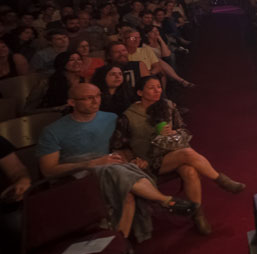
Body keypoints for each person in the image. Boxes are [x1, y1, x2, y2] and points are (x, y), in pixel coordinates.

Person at [37, 83, 196, 242]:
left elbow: (122, 147)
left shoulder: (111, 118)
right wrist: (92, 163)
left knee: (127, 193)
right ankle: (164, 201)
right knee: (114, 172)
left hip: (113, 166)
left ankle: (120, 245)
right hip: (79, 174)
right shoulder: (53, 131)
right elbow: (49, 170)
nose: (96, 101)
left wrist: (132, 159)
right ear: (72, 102)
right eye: (88, 98)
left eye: (98, 96)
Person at [112, 76, 245, 235]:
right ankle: (220, 180)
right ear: (140, 92)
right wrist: (134, 160)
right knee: (187, 153)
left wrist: (173, 132)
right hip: (150, 160)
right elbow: (119, 145)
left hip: (172, 152)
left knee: (190, 171)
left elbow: (183, 130)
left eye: (159, 87)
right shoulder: (129, 116)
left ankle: (198, 215)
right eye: (151, 88)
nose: (157, 91)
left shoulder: (168, 106)